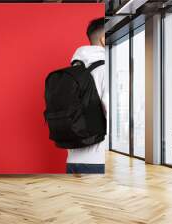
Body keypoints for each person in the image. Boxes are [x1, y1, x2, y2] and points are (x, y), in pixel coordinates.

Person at [66, 17, 107, 174]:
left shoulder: (72, 73)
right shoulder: (104, 70)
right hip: (97, 160)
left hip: (72, 159)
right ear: (104, 40)